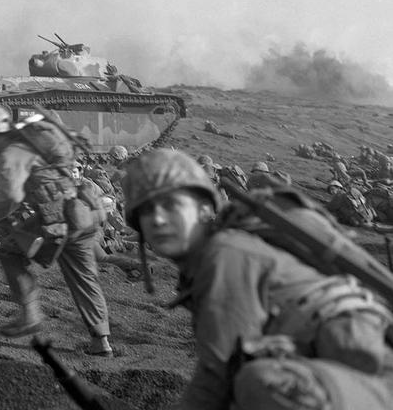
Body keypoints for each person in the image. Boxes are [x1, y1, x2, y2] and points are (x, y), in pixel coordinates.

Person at [122, 148, 393, 410]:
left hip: (377, 383)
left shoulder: (225, 254)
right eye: (146, 211)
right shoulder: (207, 262)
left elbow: (215, 378)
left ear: (204, 209)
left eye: (171, 205)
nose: (157, 219)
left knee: (262, 384)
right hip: (347, 380)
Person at [0, 106, 113, 355]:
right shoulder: (34, 147)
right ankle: (101, 341)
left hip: (55, 220)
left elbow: (11, 194)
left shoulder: (11, 154)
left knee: (8, 253)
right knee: (84, 278)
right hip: (81, 213)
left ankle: (30, 315)